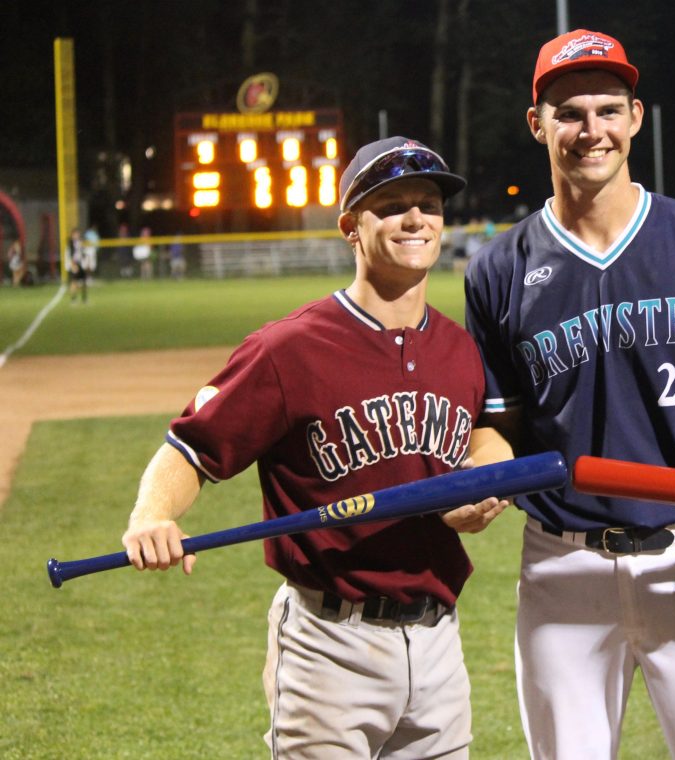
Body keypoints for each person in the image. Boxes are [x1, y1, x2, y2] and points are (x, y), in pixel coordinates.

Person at [121, 136, 508, 759]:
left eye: (429, 203)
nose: (416, 219)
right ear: (351, 227)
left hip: (439, 642)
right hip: (332, 644)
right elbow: (191, 446)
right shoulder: (288, 349)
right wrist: (153, 515)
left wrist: (487, 483)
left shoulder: (460, 349)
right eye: (392, 205)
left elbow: (485, 437)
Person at [463, 29, 675, 760]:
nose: (590, 130)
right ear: (537, 123)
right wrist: (479, 477)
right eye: (569, 112)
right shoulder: (496, 271)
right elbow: (499, 425)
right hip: (562, 568)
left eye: (608, 110)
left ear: (636, 118)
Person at [67, 228, 88, 303]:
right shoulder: (70, 243)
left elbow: (83, 253)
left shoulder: (80, 242)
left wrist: (85, 262)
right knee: (74, 282)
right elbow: (70, 255)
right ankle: (73, 299)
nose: (77, 235)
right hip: (74, 263)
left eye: (78, 234)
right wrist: (72, 265)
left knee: (84, 281)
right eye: (75, 234)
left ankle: (84, 299)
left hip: (80, 263)